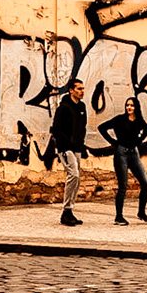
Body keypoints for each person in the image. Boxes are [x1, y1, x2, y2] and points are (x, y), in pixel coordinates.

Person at [50, 78, 88, 226]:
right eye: (79, 89)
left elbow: (83, 127)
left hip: (77, 147)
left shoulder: (82, 106)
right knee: (74, 174)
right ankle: (66, 211)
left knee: (77, 179)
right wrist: (66, 144)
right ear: (71, 90)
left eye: (83, 88)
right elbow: (56, 129)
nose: (82, 91)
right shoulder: (64, 107)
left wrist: (80, 143)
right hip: (65, 148)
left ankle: (70, 210)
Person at [111, 96, 147, 226]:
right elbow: (102, 127)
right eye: (128, 105)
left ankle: (141, 212)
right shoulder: (120, 120)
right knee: (123, 186)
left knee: (145, 183)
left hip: (134, 154)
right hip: (121, 154)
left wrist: (139, 141)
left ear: (136, 107)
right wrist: (114, 142)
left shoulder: (139, 120)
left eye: (132, 105)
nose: (129, 107)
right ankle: (118, 217)